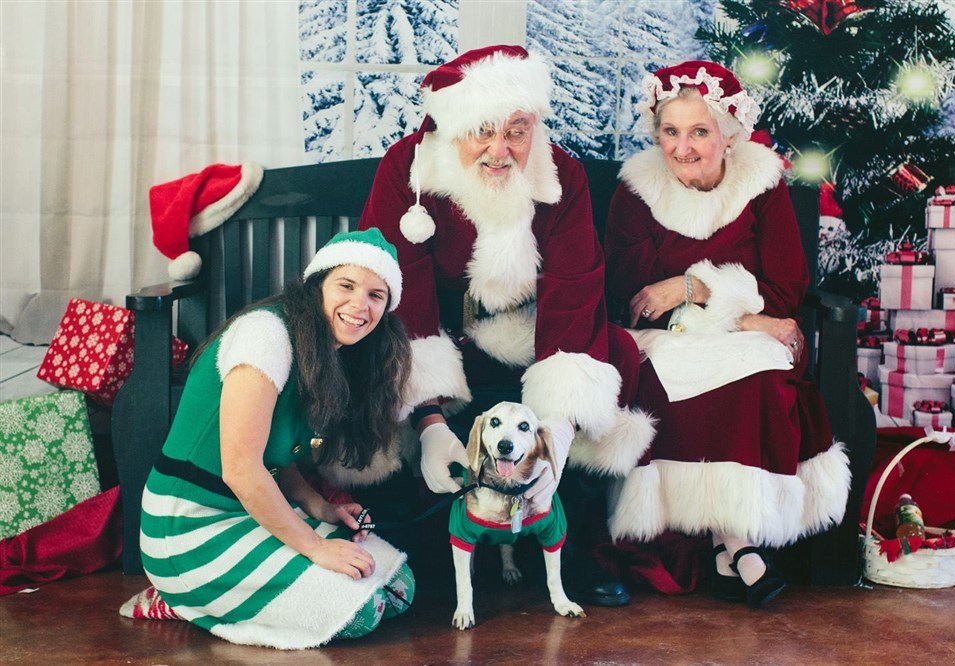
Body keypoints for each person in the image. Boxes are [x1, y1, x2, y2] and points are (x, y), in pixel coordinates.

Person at [353, 44, 655, 607]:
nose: (501, 150)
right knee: (371, 359)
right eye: (483, 131)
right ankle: (414, 545)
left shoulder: (561, 173)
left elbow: (573, 286)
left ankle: (573, 545)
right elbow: (394, 287)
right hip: (433, 333)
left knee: (614, 354)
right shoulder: (409, 169)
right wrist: (429, 421)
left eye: (517, 131)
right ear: (456, 126)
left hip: (531, 334)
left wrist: (558, 430)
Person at [602, 61, 852, 608]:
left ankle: (729, 541)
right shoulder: (635, 192)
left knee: (760, 372)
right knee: (676, 377)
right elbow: (638, 298)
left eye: (699, 132)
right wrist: (737, 309)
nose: (683, 147)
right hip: (668, 339)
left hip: (749, 335)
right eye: (670, 131)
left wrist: (693, 286)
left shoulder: (760, 184)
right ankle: (737, 544)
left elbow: (785, 289)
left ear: (728, 134)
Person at [119, 229, 416, 648]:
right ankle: (184, 598)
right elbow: (242, 469)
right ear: (318, 285)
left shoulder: (327, 351)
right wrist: (315, 546)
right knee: (361, 612)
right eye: (346, 286)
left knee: (397, 585)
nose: (359, 306)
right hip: (188, 525)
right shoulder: (267, 334)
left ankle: (221, 597)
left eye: (376, 295)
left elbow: (276, 453)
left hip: (248, 512)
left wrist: (318, 506)